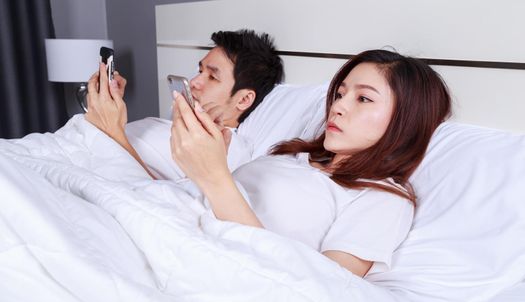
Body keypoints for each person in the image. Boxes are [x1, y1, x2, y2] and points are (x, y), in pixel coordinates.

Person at [87, 49, 451, 277]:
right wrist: (119, 134)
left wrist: (216, 178)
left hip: (185, 262)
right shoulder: (294, 155)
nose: (338, 106)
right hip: (149, 225)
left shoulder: (383, 198)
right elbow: (193, 203)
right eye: (340, 94)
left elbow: (324, 292)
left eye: (364, 100)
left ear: (406, 120)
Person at [107, 29, 284, 179]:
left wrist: (112, 131)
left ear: (244, 99)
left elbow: (172, 199)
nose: (193, 81)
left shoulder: (230, 150)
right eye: (200, 71)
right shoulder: (172, 125)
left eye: (212, 77)